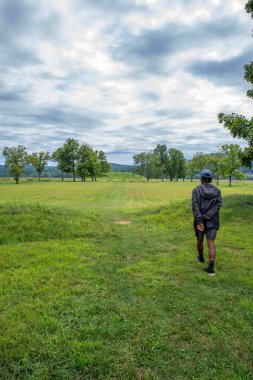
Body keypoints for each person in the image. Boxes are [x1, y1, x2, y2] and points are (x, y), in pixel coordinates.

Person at [192, 169, 222, 276]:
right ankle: (211, 268)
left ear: (201, 179)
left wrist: (200, 220)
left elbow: (195, 207)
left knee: (200, 240)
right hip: (213, 221)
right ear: (210, 179)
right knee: (211, 243)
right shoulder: (217, 191)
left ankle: (200, 257)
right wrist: (208, 216)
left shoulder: (196, 190)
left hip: (200, 220)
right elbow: (217, 206)